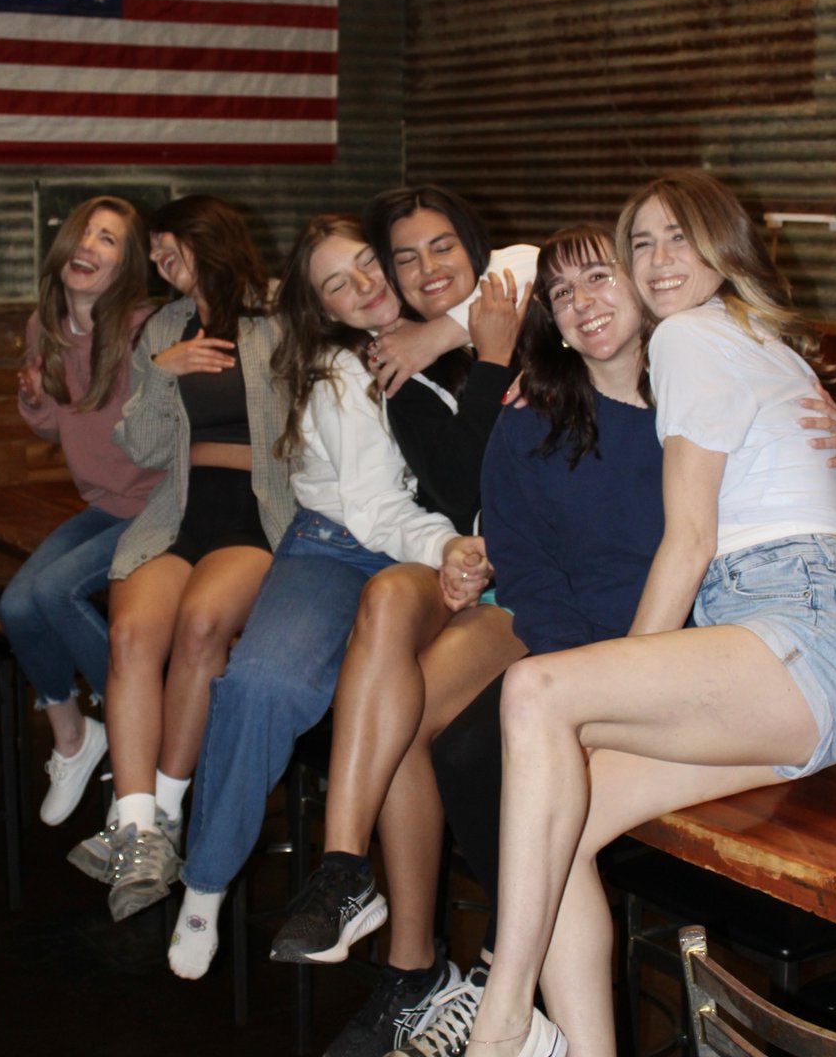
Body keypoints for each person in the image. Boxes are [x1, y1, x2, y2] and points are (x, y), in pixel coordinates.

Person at [399, 214, 836, 1057]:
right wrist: (599, 672)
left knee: (518, 729)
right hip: (612, 658)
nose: (583, 301)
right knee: (523, 794)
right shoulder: (536, 417)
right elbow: (527, 571)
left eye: (601, 277)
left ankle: (501, 1008)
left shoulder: (702, 361)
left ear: (645, 285)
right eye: (562, 292)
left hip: (742, 656)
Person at [165, 213, 487, 985]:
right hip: (339, 544)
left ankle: (420, 957)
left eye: (371, 262)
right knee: (259, 684)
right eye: (338, 284)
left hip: (433, 558)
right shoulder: (343, 373)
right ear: (326, 311)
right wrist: (447, 547)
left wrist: (446, 330)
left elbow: (531, 267)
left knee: (426, 713)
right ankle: (206, 885)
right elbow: (377, 512)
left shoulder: (460, 330)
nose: (366, 285)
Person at [270, 186, 534, 1057]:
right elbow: (460, 488)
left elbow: (552, 260)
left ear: (476, 244)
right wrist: (449, 346)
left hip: (551, 581)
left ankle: (418, 970)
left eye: (441, 248)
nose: (424, 270)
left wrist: (471, 336)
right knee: (386, 610)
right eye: (406, 256)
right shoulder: (396, 375)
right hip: (478, 567)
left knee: (402, 721)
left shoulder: (528, 304)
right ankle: (348, 877)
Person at [67, 195, 295, 924]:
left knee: (201, 627)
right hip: (181, 513)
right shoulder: (164, 326)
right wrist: (163, 371)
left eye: (173, 249)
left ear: (213, 242)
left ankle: (163, 816)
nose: (161, 262)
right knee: (132, 633)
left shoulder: (281, 315)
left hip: (259, 516)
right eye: (157, 252)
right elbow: (143, 448)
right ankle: (136, 829)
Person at [0, 195, 161, 827]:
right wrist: (36, 401)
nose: (91, 246)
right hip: (103, 505)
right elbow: (54, 427)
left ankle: (137, 727)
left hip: (157, 506)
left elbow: (152, 433)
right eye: (85, 234)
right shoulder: (46, 328)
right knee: (18, 603)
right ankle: (73, 737)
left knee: (58, 593)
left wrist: (156, 375)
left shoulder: (145, 328)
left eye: (110, 240)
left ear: (127, 266)